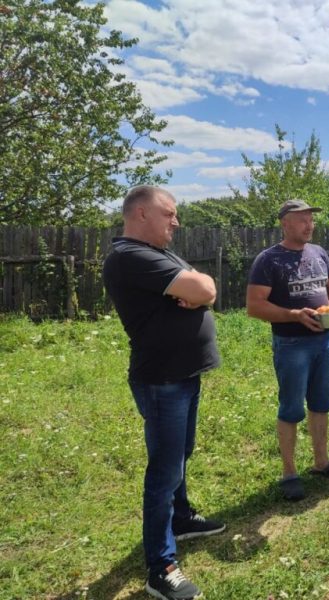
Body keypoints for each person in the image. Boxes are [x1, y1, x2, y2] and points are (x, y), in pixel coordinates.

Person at [103, 185, 225, 600]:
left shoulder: (160, 254)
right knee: (163, 471)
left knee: (180, 455)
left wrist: (194, 288)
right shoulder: (130, 256)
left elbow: (204, 284)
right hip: (161, 380)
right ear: (140, 214)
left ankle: (182, 517)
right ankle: (161, 567)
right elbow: (205, 291)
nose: (176, 221)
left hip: (183, 374)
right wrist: (194, 290)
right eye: (169, 214)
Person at [246, 199, 329, 502]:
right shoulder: (269, 260)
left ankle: (322, 463)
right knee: (291, 407)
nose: (309, 225)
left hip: (324, 341)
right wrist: (294, 315)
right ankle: (289, 473)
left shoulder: (318, 253)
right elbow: (255, 306)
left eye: (311, 219)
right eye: (302, 219)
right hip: (291, 344)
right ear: (285, 223)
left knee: (321, 403)